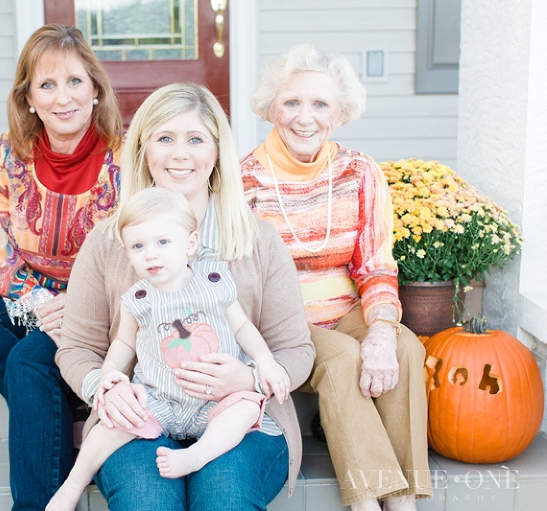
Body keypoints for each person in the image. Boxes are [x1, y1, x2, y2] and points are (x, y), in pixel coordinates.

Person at [56, 82, 315, 511]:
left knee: (223, 498)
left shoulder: (257, 239)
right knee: (147, 503)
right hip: (143, 410)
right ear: (143, 150)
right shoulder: (108, 241)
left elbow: (295, 348)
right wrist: (104, 389)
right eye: (164, 139)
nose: (180, 154)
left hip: (242, 416)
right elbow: (77, 348)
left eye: (195, 139)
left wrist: (249, 379)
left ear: (217, 152)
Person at [0, 24, 123, 510]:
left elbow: (130, 250)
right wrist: (40, 304)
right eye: (48, 85)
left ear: (95, 90)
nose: (64, 98)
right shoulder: (4, 153)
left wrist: (74, 310)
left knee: (28, 360)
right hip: (30, 298)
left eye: (76, 82)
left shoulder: (125, 154)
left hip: (101, 305)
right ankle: (61, 400)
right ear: (29, 98)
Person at [240, 44, 432, 511]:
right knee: (345, 357)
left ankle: (403, 501)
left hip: (346, 310)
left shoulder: (359, 172)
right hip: (283, 321)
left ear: (340, 113)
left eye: (320, 104)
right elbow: (244, 280)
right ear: (270, 107)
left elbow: (376, 265)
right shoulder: (245, 179)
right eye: (292, 102)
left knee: (405, 347)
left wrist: (383, 331)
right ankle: (367, 502)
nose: (305, 118)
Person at [47, 187, 291, 511]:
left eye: (163, 242)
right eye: (138, 246)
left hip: (216, 400)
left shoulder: (215, 283)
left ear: (190, 243)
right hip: (159, 398)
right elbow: (123, 342)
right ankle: (72, 484)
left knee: (246, 410)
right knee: (114, 424)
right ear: (127, 251)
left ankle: (196, 456)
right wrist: (108, 375)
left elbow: (243, 328)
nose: (151, 254)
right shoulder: (138, 299)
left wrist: (264, 364)